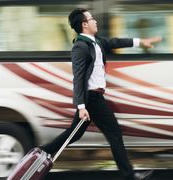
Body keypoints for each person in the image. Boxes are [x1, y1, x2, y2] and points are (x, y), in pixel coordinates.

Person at [41, 8, 161, 180]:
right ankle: (129, 175)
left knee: (74, 134)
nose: (95, 21)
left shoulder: (96, 42)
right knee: (114, 133)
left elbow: (116, 42)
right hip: (91, 99)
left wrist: (141, 41)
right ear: (84, 24)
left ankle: (41, 151)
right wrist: (81, 106)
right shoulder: (80, 47)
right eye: (92, 19)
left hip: (95, 98)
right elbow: (79, 78)